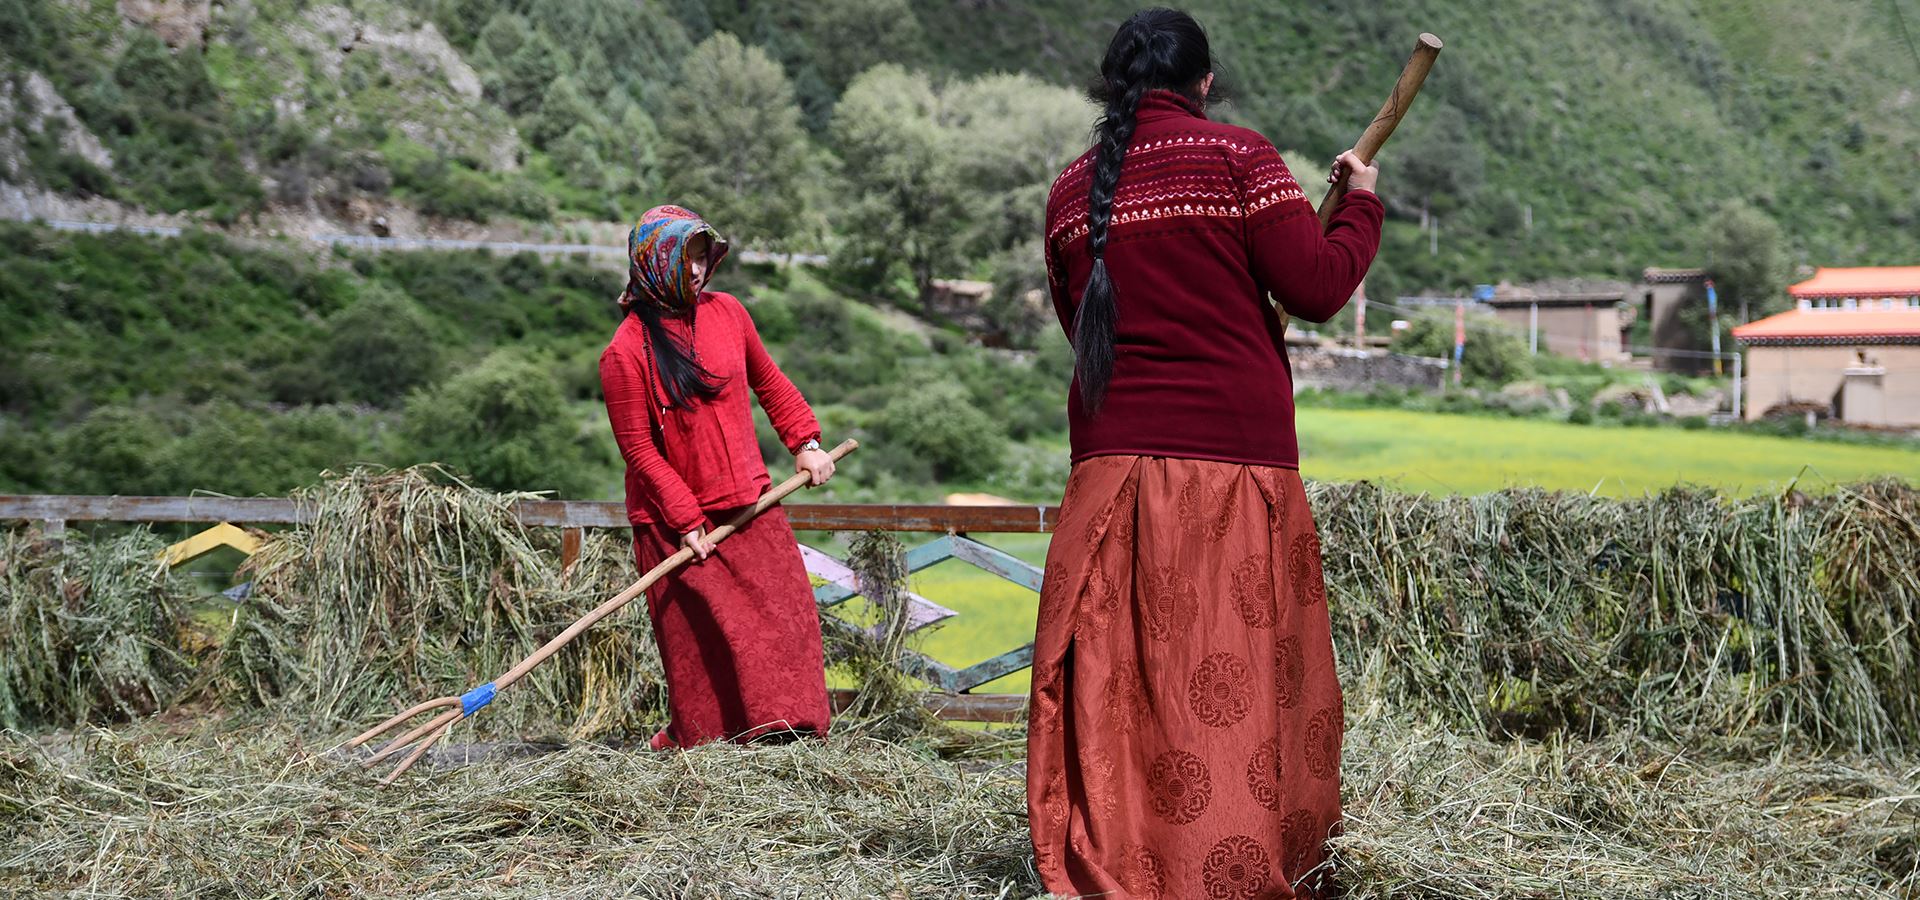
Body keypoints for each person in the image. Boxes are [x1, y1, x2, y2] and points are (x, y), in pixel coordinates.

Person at [1026, 8, 1382, 899]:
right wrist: (1361, 203)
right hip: (1234, 465)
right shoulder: (1241, 161)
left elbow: (1084, 328)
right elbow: (1316, 287)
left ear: (1111, 87)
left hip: (1111, 465)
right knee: (1236, 677)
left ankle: (1126, 864)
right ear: (1206, 84)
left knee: (1125, 682)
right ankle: (1237, 867)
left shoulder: (1073, 191)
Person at [599, 204, 838, 750]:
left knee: (787, 624)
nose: (698, 271)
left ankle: (792, 741)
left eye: (704, 258)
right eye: (687, 261)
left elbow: (770, 382)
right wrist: (685, 518)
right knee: (705, 650)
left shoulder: (729, 313)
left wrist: (806, 443)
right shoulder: (623, 353)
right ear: (653, 264)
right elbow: (638, 449)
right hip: (676, 524)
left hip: (751, 504)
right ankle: (710, 753)